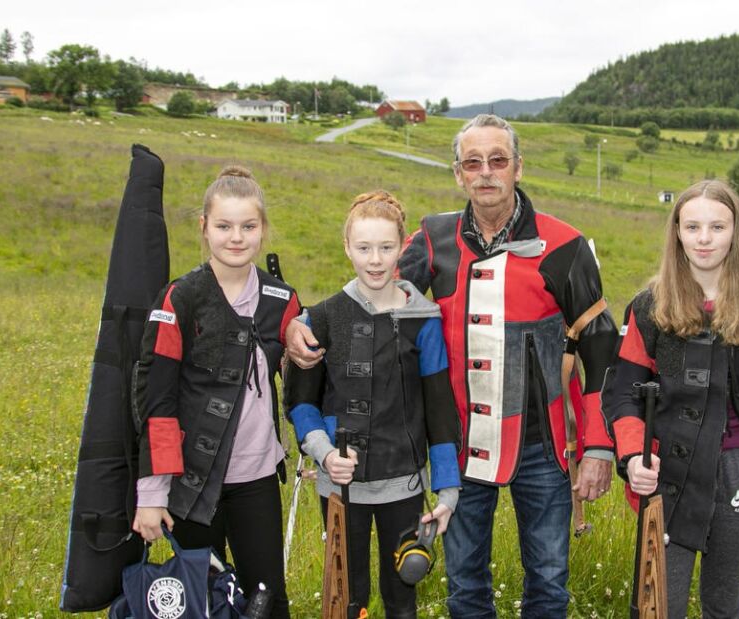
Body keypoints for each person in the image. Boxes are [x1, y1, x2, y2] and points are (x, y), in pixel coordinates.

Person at [287, 114, 620, 619]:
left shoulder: (565, 246)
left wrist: (596, 446)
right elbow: (374, 302)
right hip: (462, 444)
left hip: (543, 447)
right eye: (473, 162)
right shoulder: (434, 237)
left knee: (549, 584)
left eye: (498, 160)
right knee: (464, 585)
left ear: (518, 167)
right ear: (458, 173)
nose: (486, 172)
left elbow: (599, 353)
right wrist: (298, 323)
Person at [603, 179, 739, 618]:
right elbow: (623, 393)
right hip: (668, 476)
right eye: (692, 226)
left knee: (724, 604)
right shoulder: (648, 308)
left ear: (736, 232)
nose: (703, 238)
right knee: (658, 605)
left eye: (717, 227)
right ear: (676, 232)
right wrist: (632, 458)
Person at [284, 190, 461, 619]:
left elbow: (439, 411)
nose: (375, 260)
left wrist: (449, 488)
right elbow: (300, 404)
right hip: (340, 488)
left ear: (402, 246)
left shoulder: (425, 321)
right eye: (364, 248)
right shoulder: (322, 318)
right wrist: (325, 454)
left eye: (385, 247)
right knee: (348, 595)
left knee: (403, 590)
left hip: (404, 485)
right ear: (347, 248)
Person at [132, 165, 299, 618]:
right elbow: (158, 401)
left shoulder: (282, 301)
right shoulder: (180, 299)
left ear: (263, 230)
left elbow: (302, 381)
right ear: (205, 228)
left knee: (266, 600)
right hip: (190, 484)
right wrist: (151, 494)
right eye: (224, 226)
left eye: (248, 226)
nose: (236, 237)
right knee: (197, 601)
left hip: (257, 480)